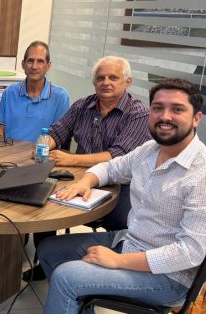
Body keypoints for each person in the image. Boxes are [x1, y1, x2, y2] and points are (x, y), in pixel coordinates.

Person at [25, 79, 206, 314]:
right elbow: (110, 167)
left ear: (196, 118)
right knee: (50, 250)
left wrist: (119, 261)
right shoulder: (149, 150)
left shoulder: (201, 173)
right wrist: (85, 182)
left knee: (66, 277)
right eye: (158, 108)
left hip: (168, 277)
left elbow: (190, 252)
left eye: (177, 109)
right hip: (130, 241)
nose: (165, 116)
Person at [24, 56, 151, 282]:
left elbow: (117, 156)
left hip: (121, 184)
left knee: (123, 222)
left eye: (113, 77)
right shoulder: (82, 105)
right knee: (43, 202)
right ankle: (46, 262)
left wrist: (71, 159)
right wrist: (44, 145)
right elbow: (57, 131)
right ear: (94, 82)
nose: (106, 82)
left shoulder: (139, 114)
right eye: (100, 78)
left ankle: (113, 273)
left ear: (127, 82)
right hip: (81, 178)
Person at [0, 41, 69, 142]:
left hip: (41, 152)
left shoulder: (60, 97)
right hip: (8, 151)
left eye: (40, 61)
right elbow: (1, 132)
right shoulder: (9, 93)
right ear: (23, 65)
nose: (34, 67)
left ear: (48, 66)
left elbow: (61, 139)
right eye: (30, 61)